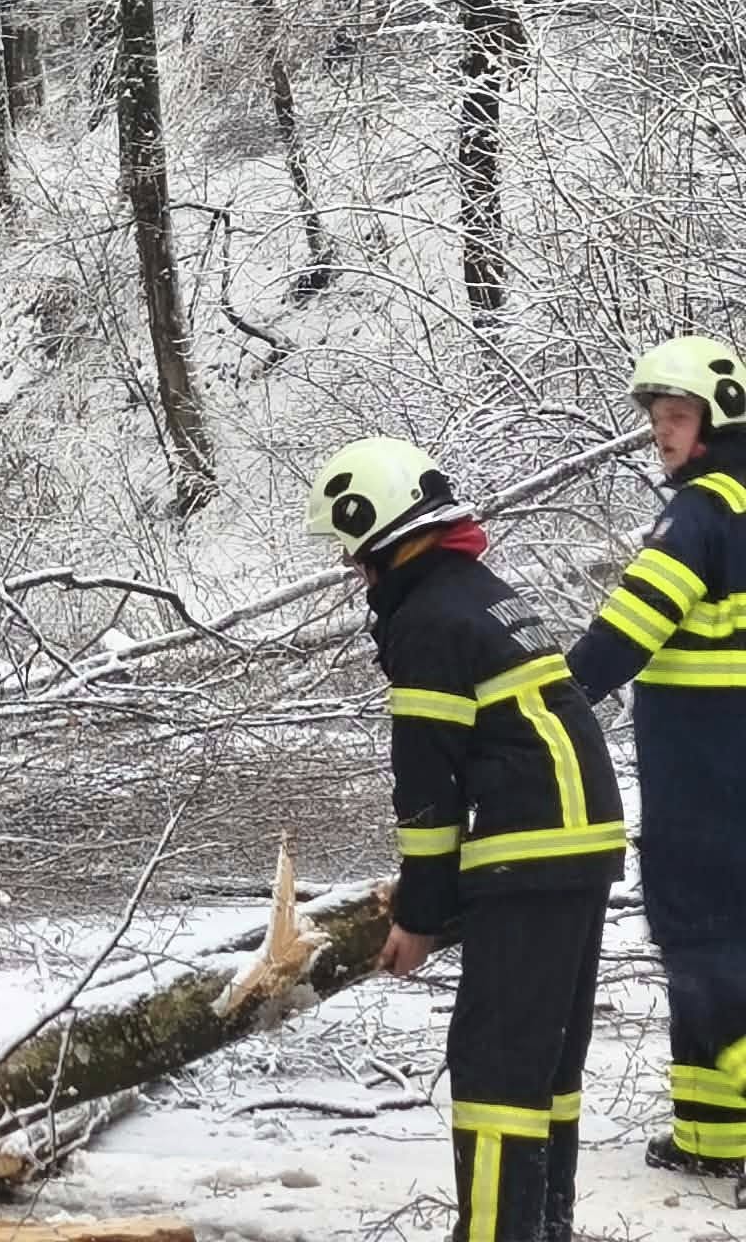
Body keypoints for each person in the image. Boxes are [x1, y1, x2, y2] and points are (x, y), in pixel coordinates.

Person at [306, 436, 623, 1242]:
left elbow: (428, 787)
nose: (353, 571)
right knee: (546, 1064)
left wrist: (419, 913)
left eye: (353, 552)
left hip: (530, 855)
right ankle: (543, 1226)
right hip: (578, 847)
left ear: (378, 532)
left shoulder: (429, 622)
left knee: (493, 1070)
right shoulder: (480, 593)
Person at [564, 334, 746, 1195]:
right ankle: (711, 1135)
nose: (661, 434)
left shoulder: (699, 515)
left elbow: (625, 632)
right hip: (725, 778)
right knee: (722, 955)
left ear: (718, 422)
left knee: (704, 948)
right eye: (656, 419)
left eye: (676, 418)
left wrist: (548, 701)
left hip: (707, 784)